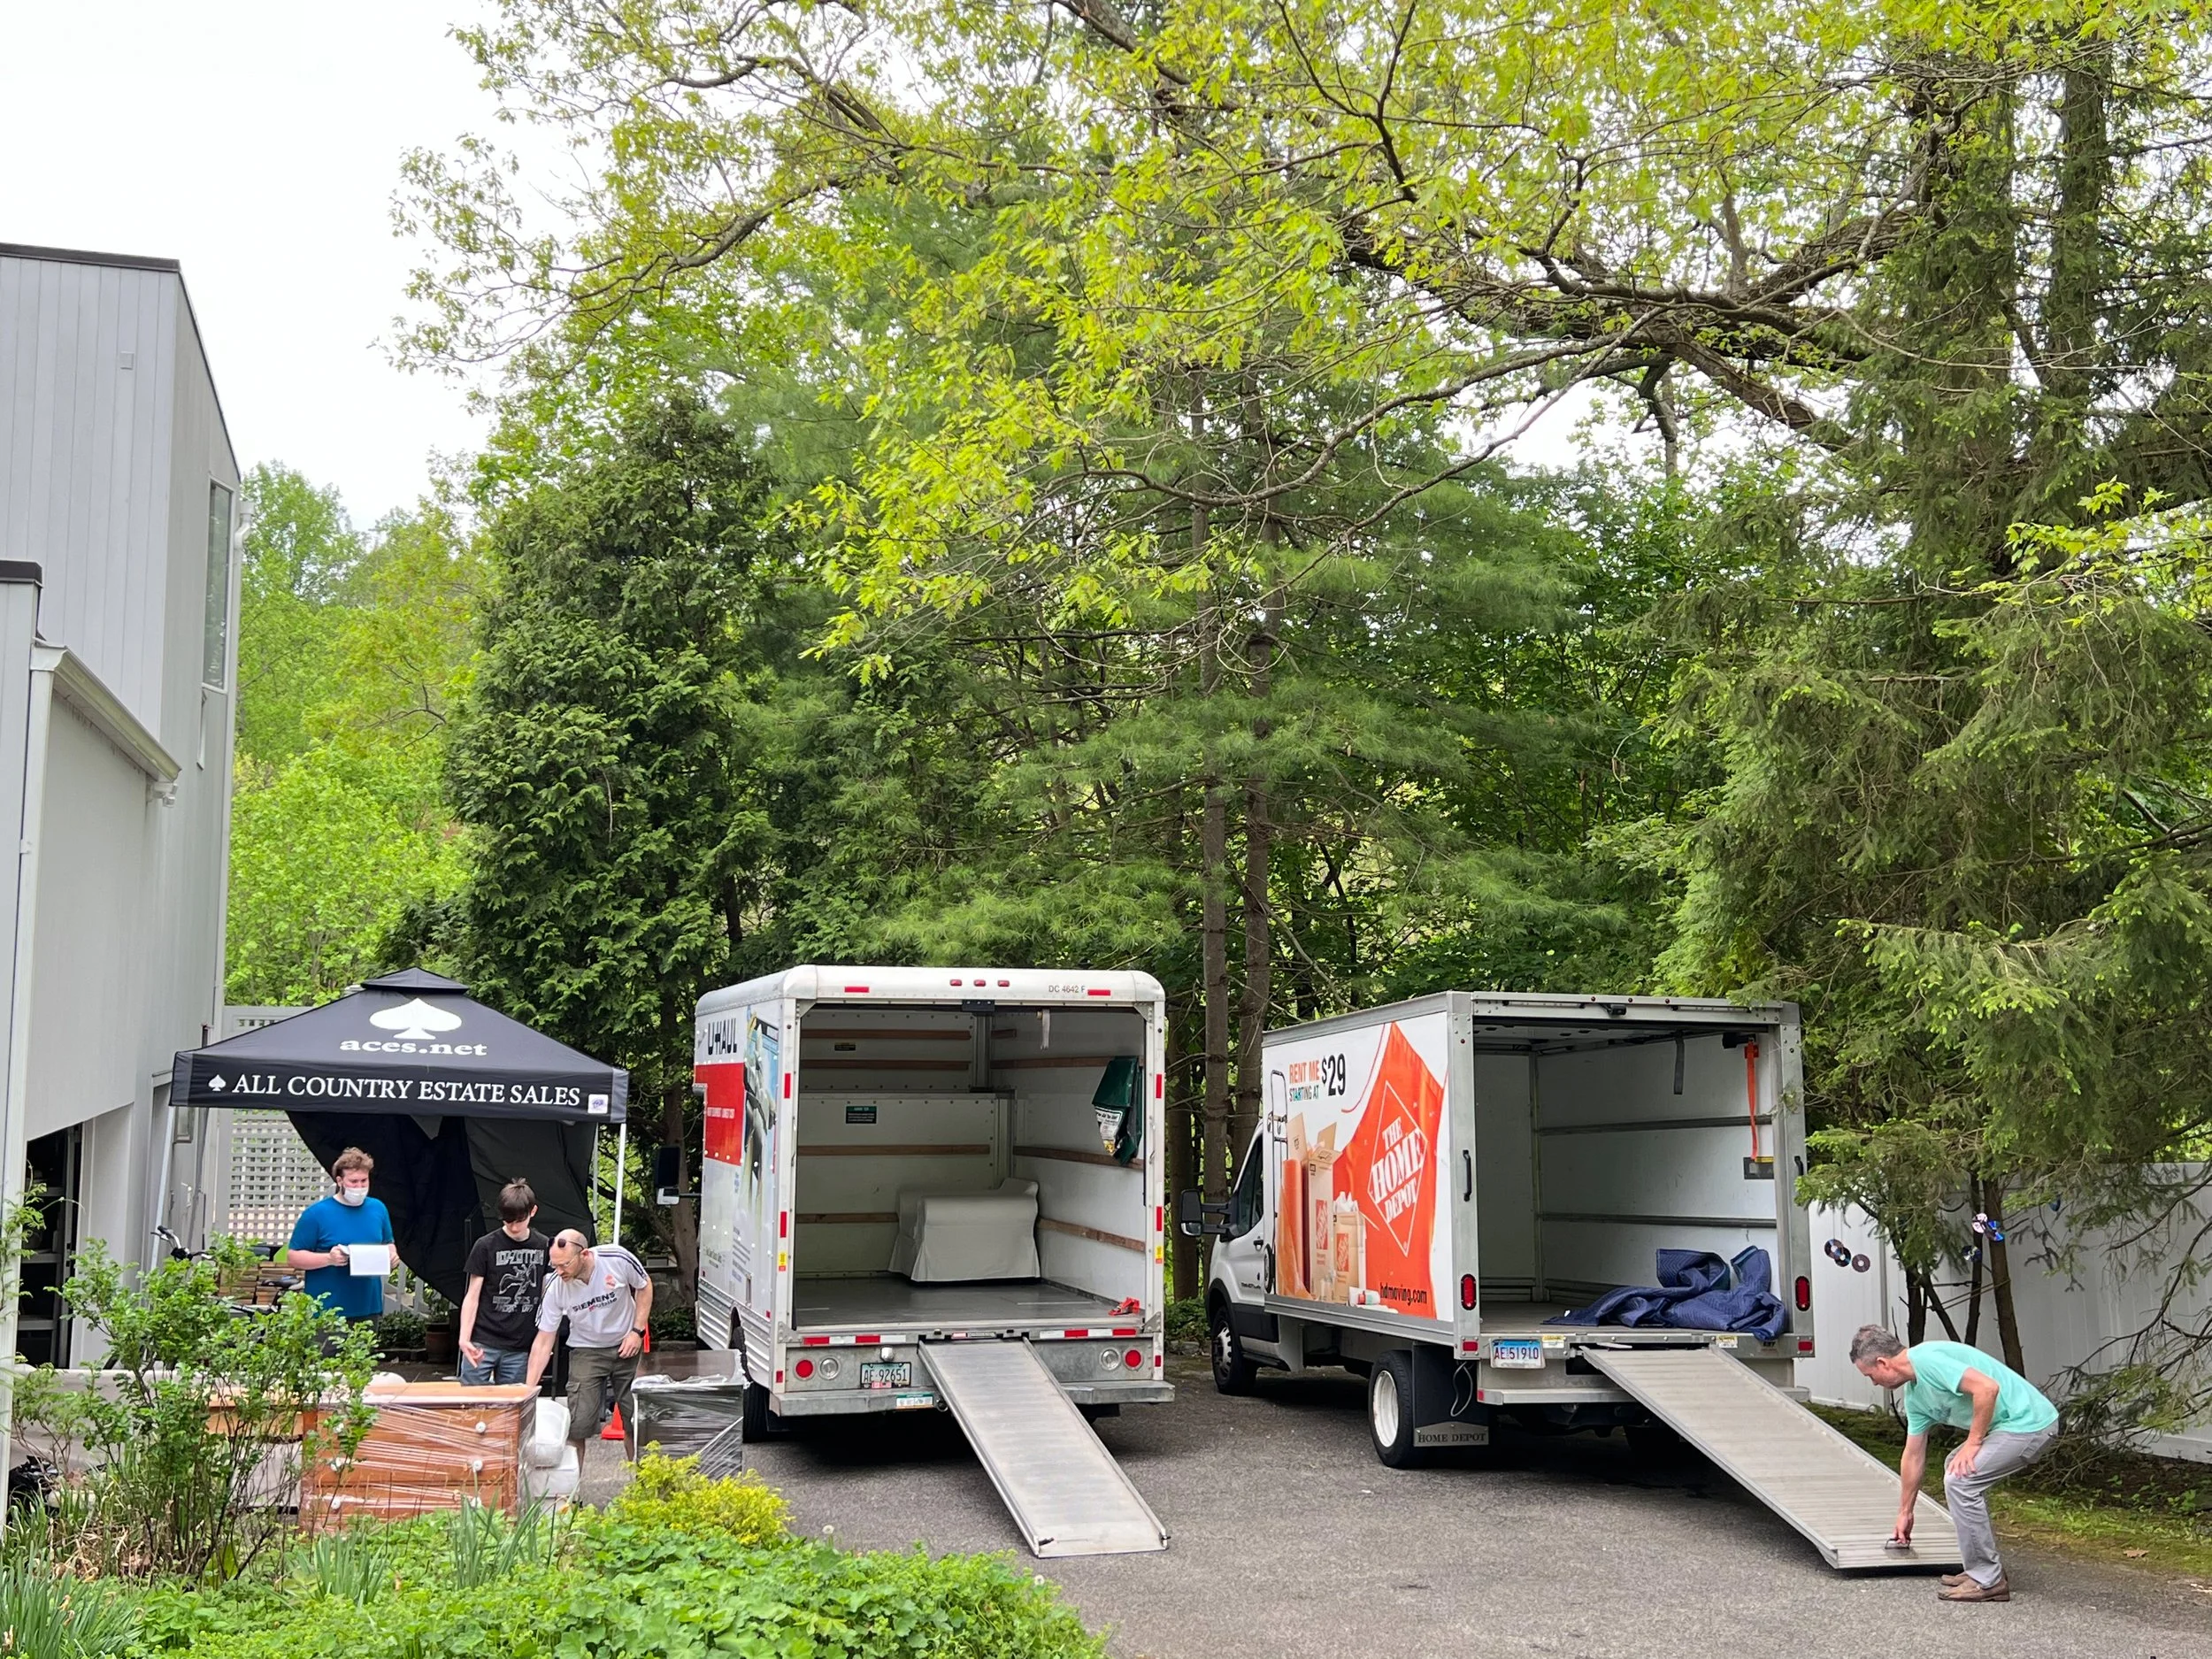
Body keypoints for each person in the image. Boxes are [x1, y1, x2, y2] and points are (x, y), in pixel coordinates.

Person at [1850, 1324, 2060, 1601]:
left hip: (2030, 1424)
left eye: (1870, 1376)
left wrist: (1973, 1442)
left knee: (1961, 1479)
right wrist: (1905, 1511)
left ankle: (1988, 1579)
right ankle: (1981, 1570)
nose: (1873, 1383)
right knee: (1955, 1468)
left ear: (1882, 1363)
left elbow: (1987, 1388)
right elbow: (1913, 1454)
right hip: (2010, 1427)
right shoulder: (1915, 1396)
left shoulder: (1927, 1360)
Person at [522, 1229, 653, 1460]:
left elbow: (644, 1285)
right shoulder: (555, 1286)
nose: (558, 1271)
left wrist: (637, 1330)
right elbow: (544, 1340)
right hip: (586, 1349)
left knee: (637, 1422)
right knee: (577, 1426)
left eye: (564, 1265)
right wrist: (528, 1390)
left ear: (584, 1255)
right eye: (555, 1265)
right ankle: (572, 1494)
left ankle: (641, 1489)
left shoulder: (617, 1259)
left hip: (627, 1343)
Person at [285, 1148, 401, 1325]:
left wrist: (392, 1256)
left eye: (364, 1181)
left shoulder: (378, 1209)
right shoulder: (316, 1214)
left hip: (368, 1308)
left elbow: (388, 1242)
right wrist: (328, 1259)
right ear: (340, 1181)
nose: (360, 1187)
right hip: (326, 1312)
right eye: (353, 1181)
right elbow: (293, 1257)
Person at [457, 1179, 551, 1386]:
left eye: (520, 1220)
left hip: (520, 1345)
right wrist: (464, 1338)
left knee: (511, 1410)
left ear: (533, 1211)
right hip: (482, 1340)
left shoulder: (544, 1246)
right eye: (508, 1221)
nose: (515, 1226)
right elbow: (472, 1295)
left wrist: (544, 1340)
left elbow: (548, 1297)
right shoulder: (485, 1245)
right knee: (470, 1404)